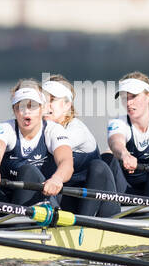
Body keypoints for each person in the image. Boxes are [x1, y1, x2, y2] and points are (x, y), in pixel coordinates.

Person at [0, 79, 74, 208]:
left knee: (28, 171)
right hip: (7, 200)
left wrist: (57, 179)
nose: (26, 112)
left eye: (32, 106)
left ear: (42, 109)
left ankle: (19, 224)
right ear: (14, 110)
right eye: (21, 106)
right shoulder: (3, 128)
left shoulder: (54, 130)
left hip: (42, 199)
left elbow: (66, 162)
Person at [42, 73, 119, 217]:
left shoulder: (76, 130)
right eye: (43, 100)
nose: (46, 105)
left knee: (98, 166)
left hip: (98, 203)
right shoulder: (40, 129)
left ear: (67, 105)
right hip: (67, 198)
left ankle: (86, 225)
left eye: (52, 100)